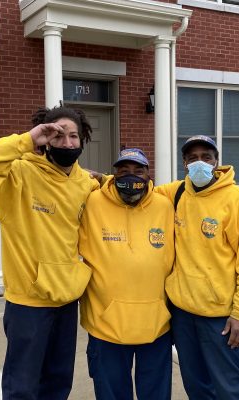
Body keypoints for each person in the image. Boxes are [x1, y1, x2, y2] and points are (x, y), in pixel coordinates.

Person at [0, 106, 99, 400]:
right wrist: (29, 138)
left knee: (58, 380)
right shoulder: (18, 175)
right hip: (28, 301)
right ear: (46, 139)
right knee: (22, 385)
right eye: (59, 135)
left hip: (67, 297)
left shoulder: (85, 183)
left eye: (74, 136)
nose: (67, 143)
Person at [155, 135, 239, 400]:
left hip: (221, 318)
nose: (199, 163)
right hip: (183, 314)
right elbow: (141, 189)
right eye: (192, 158)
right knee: (197, 387)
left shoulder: (237, 201)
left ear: (217, 162)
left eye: (206, 157)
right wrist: (101, 179)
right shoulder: (178, 192)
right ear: (184, 163)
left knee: (233, 389)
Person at [78, 148, 175, 400]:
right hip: (105, 325)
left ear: (148, 174)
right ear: (114, 174)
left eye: (138, 170)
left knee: (155, 394)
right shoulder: (91, 201)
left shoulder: (165, 205)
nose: (131, 176)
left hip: (156, 325)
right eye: (123, 171)